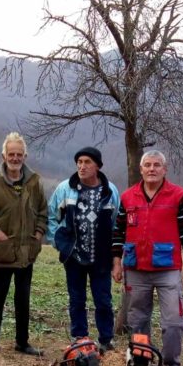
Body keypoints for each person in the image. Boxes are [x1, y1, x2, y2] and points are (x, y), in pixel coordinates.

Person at [111, 150, 183, 366]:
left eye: (156, 165)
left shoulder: (178, 196)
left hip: (167, 268)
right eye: (147, 165)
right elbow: (118, 232)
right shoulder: (128, 197)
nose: (152, 169)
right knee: (137, 319)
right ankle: (141, 360)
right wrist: (116, 261)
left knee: (173, 322)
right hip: (135, 268)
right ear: (141, 170)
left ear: (164, 169)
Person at [0, 132, 47, 356]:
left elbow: (43, 212)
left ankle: (22, 342)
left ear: (25, 156)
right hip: (1, 252)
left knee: (23, 299)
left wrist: (39, 232)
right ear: (3, 156)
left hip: (26, 253)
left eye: (19, 154)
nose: (15, 158)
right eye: (11, 154)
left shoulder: (34, 183)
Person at [47, 146, 120, 354]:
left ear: (97, 166)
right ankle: (80, 338)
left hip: (101, 258)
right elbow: (52, 216)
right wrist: (58, 242)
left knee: (103, 300)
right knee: (76, 299)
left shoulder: (110, 191)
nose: (82, 166)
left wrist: (115, 254)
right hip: (74, 256)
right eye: (79, 162)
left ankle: (106, 340)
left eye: (87, 162)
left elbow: (117, 225)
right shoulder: (64, 189)